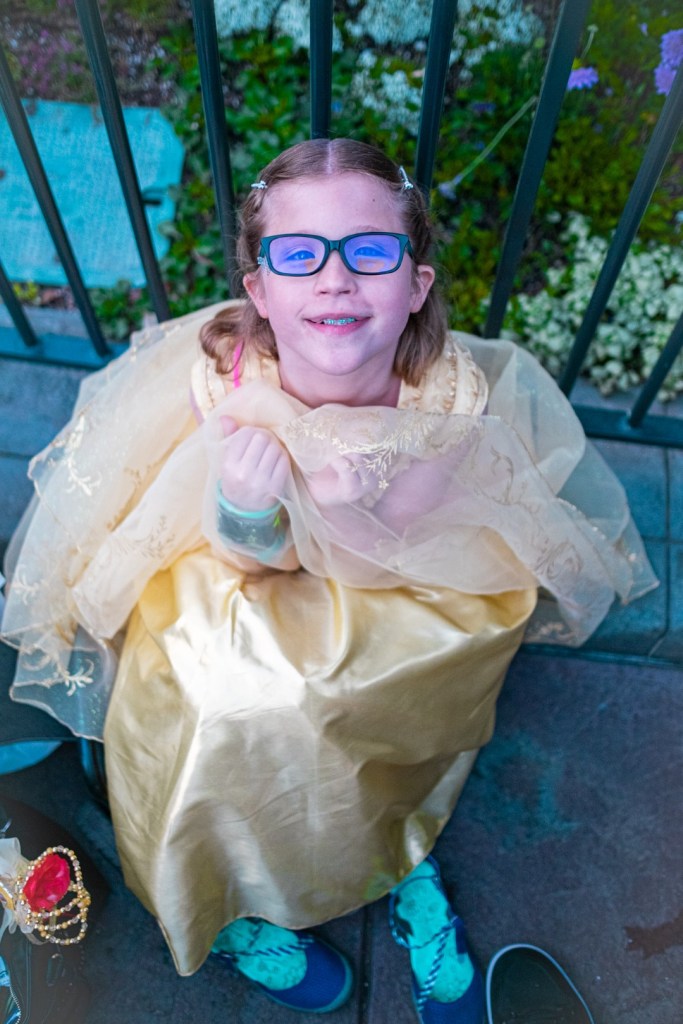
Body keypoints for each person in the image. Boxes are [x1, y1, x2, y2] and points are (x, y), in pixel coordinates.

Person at [1, 139, 655, 1023]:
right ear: (259, 290)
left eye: (370, 252)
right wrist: (244, 504)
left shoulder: (441, 402)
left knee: (380, 687)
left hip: (395, 568)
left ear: (415, 284)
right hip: (235, 550)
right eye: (299, 254)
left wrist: (346, 508)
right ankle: (222, 885)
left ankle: (390, 837)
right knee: (217, 697)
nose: (335, 279)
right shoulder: (230, 383)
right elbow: (247, 557)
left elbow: (383, 560)